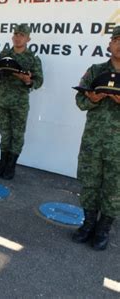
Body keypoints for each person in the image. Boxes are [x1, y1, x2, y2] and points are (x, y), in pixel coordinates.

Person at [71, 25, 120, 251]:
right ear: (110, 44)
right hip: (93, 141)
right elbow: (80, 101)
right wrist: (93, 98)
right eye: (116, 39)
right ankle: (88, 224)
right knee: (89, 183)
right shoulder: (95, 70)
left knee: (114, 188)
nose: (119, 44)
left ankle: (103, 230)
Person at [0, 24, 43, 179]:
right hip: (4, 101)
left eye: (21, 35)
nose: (17, 37)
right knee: (5, 134)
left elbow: (39, 81)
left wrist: (27, 80)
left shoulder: (32, 58)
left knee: (17, 135)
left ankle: (11, 168)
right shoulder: (4, 55)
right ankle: (2, 166)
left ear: (28, 38)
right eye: (15, 34)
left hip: (20, 103)